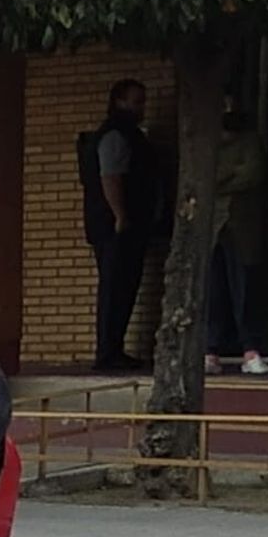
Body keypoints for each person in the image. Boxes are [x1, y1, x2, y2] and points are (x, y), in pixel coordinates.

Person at [79, 79, 160, 371]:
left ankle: (114, 349)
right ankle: (107, 353)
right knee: (115, 288)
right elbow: (110, 177)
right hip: (114, 227)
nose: (141, 107)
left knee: (124, 288)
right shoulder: (116, 135)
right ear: (119, 101)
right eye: (136, 101)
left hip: (119, 224)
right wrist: (121, 215)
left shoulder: (129, 135)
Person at [206, 107, 268, 377]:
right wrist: (230, 173)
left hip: (242, 227)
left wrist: (221, 178)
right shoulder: (206, 143)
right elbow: (202, 178)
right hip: (210, 229)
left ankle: (250, 350)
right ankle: (210, 351)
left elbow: (253, 173)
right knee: (212, 292)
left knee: (244, 290)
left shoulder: (250, 141)